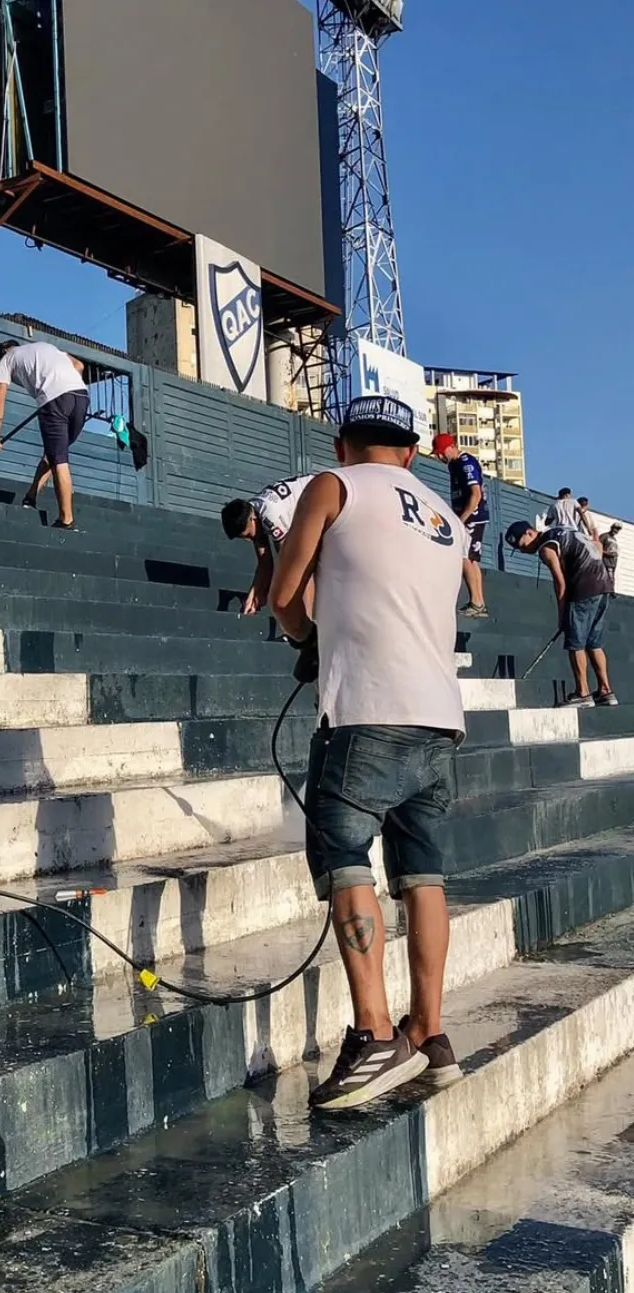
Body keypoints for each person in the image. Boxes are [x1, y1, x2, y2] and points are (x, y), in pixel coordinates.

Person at [269, 395, 466, 1111]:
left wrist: (306, 638)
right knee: (424, 875)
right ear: (411, 452)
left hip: (367, 712)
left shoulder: (333, 485)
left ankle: (377, 1032)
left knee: (346, 854)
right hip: (441, 720)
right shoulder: (448, 520)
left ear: (343, 442)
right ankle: (431, 1033)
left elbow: (286, 597)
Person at [505, 520, 617, 707]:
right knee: (593, 642)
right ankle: (606, 691)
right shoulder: (562, 531)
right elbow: (596, 546)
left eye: (521, 545)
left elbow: (560, 583)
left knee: (576, 642)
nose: (523, 550)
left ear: (530, 533)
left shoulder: (546, 548)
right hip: (603, 585)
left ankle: (583, 693)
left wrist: (562, 614)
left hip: (584, 589)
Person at [0, 339, 88, 530]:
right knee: (54, 453)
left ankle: (66, 520)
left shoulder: (6, 359)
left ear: (4, 351)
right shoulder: (45, 346)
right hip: (81, 395)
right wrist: (64, 387)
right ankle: (31, 496)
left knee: (59, 459)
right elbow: (79, 365)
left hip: (55, 400)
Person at [221, 474, 314, 616]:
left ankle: (307, 624)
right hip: (304, 507)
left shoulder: (270, 515)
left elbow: (289, 564)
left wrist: (266, 593)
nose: (248, 540)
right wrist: (253, 596)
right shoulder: (254, 513)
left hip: (317, 497)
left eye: (247, 535)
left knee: (298, 566)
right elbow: (265, 562)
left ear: (252, 520)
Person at [431, 433, 489, 618]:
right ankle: (479, 601)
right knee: (472, 558)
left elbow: (476, 494)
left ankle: (476, 602)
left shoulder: (466, 463)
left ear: (451, 447)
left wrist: (461, 519)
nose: (440, 458)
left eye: (441, 453)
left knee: (464, 557)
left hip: (472, 517)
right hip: (466, 515)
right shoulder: (454, 465)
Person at [601, 523, 621, 593]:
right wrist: (607, 553)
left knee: (611, 579)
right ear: (612, 527)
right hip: (605, 561)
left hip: (613, 562)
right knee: (608, 579)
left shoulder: (614, 539)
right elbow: (597, 547)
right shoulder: (605, 536)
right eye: (615, 528)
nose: (616, 530)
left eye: (618, 529)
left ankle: (610, 592)